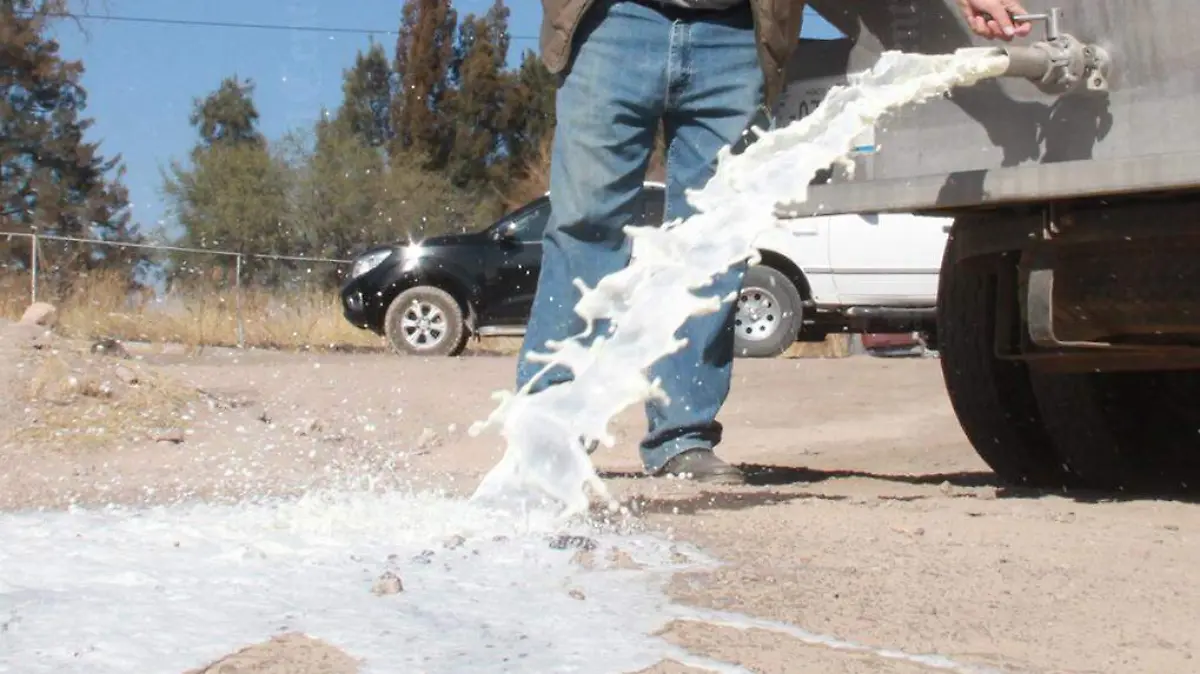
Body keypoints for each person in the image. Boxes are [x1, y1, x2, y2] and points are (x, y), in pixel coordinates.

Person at [521, 0, 1030, 485]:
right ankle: (552, 431)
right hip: (614, 22)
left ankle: (681, 436)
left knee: (714, 238)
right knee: (586, 224)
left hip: (735, 35)